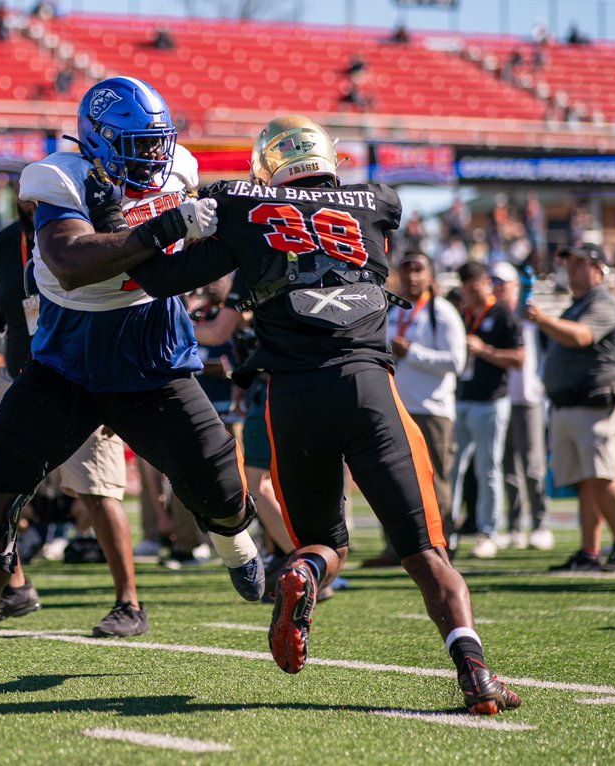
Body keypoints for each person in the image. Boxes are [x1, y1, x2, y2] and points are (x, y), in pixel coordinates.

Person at [103, 115, 520, 715]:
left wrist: (141, 224)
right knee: (428, 553)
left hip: (291, 397)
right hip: (368, 387)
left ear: (266, 164)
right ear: (329, 155)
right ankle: (476, 673)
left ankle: (301, 571)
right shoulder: (376, 202)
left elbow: (157, 276)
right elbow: (360, 224)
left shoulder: (240, 203)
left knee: (322, 542)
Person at [0, 77, 261, 699]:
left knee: (222, 485)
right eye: (136, 145)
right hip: (67, 367)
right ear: (98, 142)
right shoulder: (58, 178)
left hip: (156, 363)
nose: (153, 157)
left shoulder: (179, 168)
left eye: (158, 143)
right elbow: (71, 262)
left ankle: (234, 544)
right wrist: (164, 229)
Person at [0, 198, 149, 635]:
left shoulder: (92, 232)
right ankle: (17, 585)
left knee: (96, 492)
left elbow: (129, 305)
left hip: (83, 378)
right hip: (19, 378)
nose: (31, 197)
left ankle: (129, 603)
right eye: (25, 187)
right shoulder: (6, 243)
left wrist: (117, 392)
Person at [526, 244, 615, 573]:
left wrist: (542, 319)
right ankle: (589, 552)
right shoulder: (577, 304)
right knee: (585, 480)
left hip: (596, 403)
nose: (570, 269)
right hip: (571, 404)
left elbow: (581, 337)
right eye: (568, 263)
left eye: (578, 264)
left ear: (598, 268)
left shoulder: (603, 303)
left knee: (602, 476)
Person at [363, 250, 465, 567]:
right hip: (394, 407)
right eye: (406, 269)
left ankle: (442, 546)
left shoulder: (442, 312)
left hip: (432, 410)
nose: (412, 276)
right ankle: (396, 548)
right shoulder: (389, 311)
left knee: (436, 481)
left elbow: (456, 362)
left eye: (419, 269)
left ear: (431, 275)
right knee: (391, 480)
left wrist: (414, 352)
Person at [450, 261, 525, 559]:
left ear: (484, 284)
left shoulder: (503, 314)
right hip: (462, 399)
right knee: (452, 470)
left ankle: (488, 532)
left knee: (488, 469)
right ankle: (447, 529)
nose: (469, 294)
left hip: (492, 401)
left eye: (473, 287)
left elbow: (520, 359)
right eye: (465, 288)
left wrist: (485, 351)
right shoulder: (462, 314)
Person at [491, 262, 551, 551]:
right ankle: (515, 526)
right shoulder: (494, 317)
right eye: (495, 283)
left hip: (529, 398)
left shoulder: (530, 314)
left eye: (503, 284)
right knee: (508, 469)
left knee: (533, 466)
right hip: (502, 398)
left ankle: (540, 523)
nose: (498, 289)